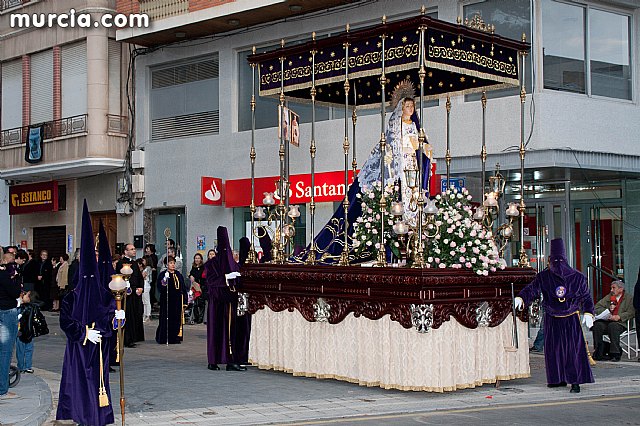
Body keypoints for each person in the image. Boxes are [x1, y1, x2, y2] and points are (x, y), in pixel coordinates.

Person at [295, 79, 431, 264]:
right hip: (399, 168)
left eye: (412, 106)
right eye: (407, 106)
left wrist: (423, 150)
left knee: (414, 204)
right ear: (401, 107)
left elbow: (421, 146)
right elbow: (393, 146)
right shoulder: (395, 125)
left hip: (411, 169)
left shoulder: (415, 127)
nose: (411, 109)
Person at [56, 201, 122, 425]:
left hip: (99, 348)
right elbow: (65, 321)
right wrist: (83, 333)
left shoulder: (103, 294)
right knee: (80, 382)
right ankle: (82, 416)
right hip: (79, 349)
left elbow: (110, 315)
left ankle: (99, 417)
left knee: (98, 383)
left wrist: (117, 319)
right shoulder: (71, 296)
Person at [514, 238, 594, 393]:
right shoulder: (544, 277)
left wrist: (589, 312)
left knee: (572, 350)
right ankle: (557, 378)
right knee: (553, 350)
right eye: (554, 261)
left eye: (559, 260)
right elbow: (533, 289)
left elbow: (586, 297)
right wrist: (522, 297)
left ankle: (575, 380)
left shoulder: (577, 277)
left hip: (571, 318)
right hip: (551, 317)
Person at [203, 227, 247, 371]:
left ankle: (230, 360)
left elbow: (238, 276)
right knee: (216, 331)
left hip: (230, 302)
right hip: (217, 303)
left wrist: (237, 278)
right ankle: (213, 360)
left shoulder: (231, 262)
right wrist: (226, 278)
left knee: (231, 331)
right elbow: (210, 282)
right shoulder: (212, 264)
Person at [592, 280, 635, 362]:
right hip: (608, 321)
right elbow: (597, 307)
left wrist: (619, 316)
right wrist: (607, 311)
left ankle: (615, 353)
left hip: (621, 323)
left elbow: (631, 312)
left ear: (621, 289)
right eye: (611, 288)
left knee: (613, 326)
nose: (611, 290)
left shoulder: (629, 298)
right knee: (597, 325)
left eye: (613, 288)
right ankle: (599, 352)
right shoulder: (609, 297)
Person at [0, 252, 22, 398]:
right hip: (6, 312)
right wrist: (15, 279)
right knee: (5, 352)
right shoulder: (3, 275)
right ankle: (2, 388)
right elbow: (14, 292)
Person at [117, 244, 145, 347]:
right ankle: (127, 339)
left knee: (136, 314)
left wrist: (140, 287)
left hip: (136, 293)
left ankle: (135, 337)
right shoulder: (121, 263)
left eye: (134, 249)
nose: (134, 251)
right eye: (132, 249)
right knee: (128, 315)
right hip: (127, 294)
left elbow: (139, 277)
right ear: (125, 251)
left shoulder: (134, 263)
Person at [155, 257, 188, 344]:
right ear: (166, 265)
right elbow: (160, 287)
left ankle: (175, 336)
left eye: (173, 263)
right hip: (167, 300)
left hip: (177, 300)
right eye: (170, 263)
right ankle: (165, 337)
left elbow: (182, 288)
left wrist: (185, 299)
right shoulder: (163, 274)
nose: (173, 265)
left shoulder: (178, 274)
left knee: (176, 319)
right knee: (166, 318)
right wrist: (165, 280)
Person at [188, 253, 206, 324]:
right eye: (196, 258)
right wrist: (190, 276)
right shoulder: (193, 267)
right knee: (195, 302)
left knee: (200, 302)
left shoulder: (203, 267)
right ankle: (196, 317)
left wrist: (194, 277)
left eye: (198, 258)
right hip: (194, 287)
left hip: (202, 287)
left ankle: (200, 317)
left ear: (201, 259)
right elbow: (191, 274)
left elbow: (200, 276)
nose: (197, 260)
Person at [140, 257, 152, 322]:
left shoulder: (148, 268)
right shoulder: (144, 268)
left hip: (146, 285)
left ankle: (148, 315)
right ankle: (144, 314)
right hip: (144, 285)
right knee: (144, 301)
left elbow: (143, 276)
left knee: (147, 301)